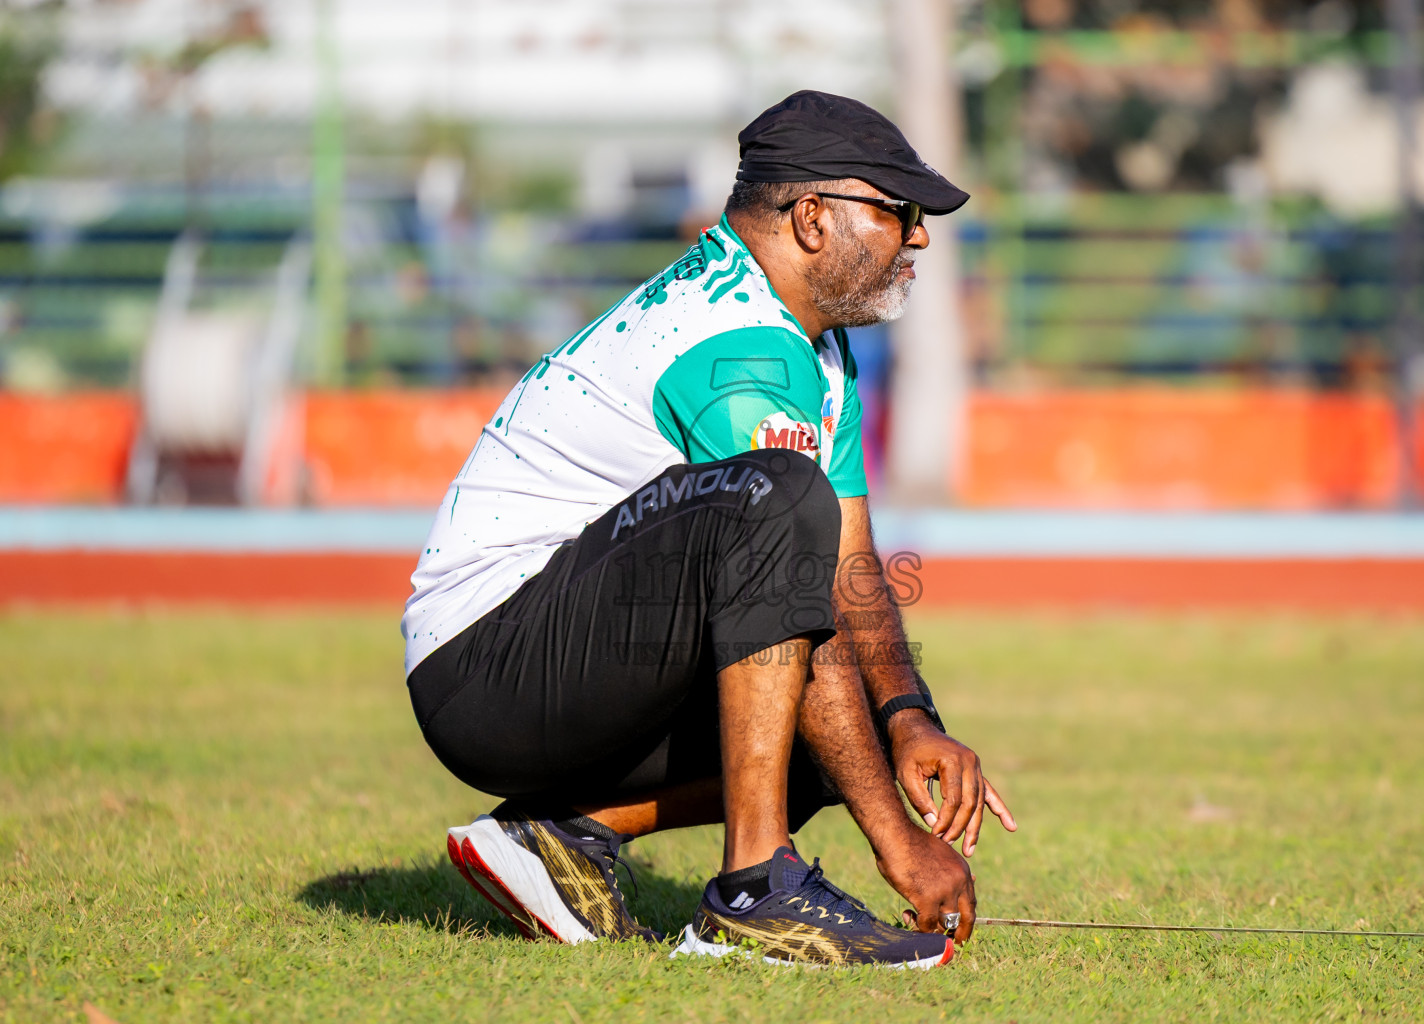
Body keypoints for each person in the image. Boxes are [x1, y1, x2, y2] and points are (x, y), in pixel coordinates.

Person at [402, 90, 1015, 969]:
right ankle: (754, 890)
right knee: (778, 495)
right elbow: (788, 554)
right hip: (484, 670)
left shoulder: (810, 339)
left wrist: (911, 716)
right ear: (812, 219)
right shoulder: (735, 344)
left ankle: (557, 838)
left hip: (553, 651)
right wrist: (898, 843)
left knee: (859, 735)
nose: (918, 237)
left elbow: (848, 566)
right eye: (898, 210)